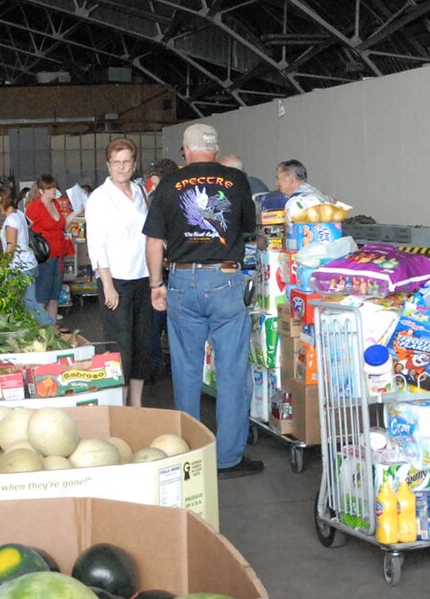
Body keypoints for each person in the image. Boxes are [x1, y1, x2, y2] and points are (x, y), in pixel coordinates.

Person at [146, 123, 262, 477]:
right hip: (225, 279)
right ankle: (227, 458)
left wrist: (156, 286)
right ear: (215, 148)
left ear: (186, 150)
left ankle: (188, 454)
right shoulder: (237, 181)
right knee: (231, 372)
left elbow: (153, 243)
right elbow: (248, 229)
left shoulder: (168, 184)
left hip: (182, 279)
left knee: (185, 371)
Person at [87, 137, 152, 407]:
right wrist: (108, 284)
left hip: (143, 277)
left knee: (142, 344)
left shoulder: (140, 192)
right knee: (120, 346)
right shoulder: (100, 198)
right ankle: (119, 404)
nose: (121, 167)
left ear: (134, 164)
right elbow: (96, 243)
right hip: (116, 280)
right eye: (116, 162)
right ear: (108, 164)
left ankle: (136, 404)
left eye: (126, 162)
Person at [0, 191, 55, 328]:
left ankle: (49, 326)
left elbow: (11, 246)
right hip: (29, 263)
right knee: (27, 301)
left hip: (19, 267)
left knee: (27, 301)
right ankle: (41, 327)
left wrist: (2, 266)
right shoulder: (19, 214)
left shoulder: (11, 220)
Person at [25, 174, 72, 323]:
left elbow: (62, 224)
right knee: (42, 295)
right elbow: (26, 228)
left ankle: (52, 329)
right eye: (49, 188)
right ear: (41, 191)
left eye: (54, 187)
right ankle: (39, 328)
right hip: (44, 257)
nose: (53, 190)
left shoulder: (56, 204)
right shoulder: (35, 207)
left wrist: (76, 212)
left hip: (58, 255)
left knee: (54, 295)